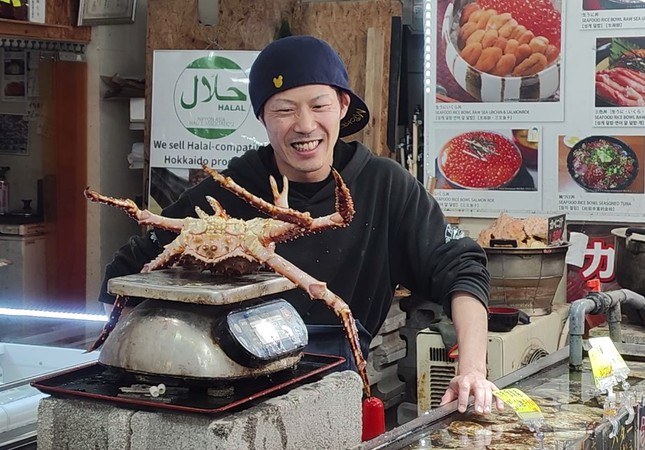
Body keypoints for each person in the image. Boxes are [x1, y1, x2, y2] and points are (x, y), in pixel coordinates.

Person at [97, 35, 501, 414]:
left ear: (343, 106)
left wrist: (472, 370)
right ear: (262, 117)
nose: (304, 125)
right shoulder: (227, 192)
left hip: (338, 389)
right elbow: (129, 269)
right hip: (234, 397)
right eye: (284, 110)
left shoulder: (385, 185)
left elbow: (461, 268)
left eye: (319, 105)